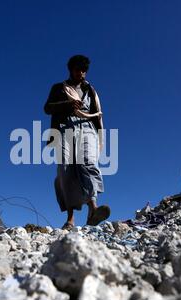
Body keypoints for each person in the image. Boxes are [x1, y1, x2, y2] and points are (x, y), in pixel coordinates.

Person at [43, 54, 110, 230]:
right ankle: (70, 219)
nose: (81, 73)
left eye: (84, 70)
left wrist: (100, 137)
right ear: (71, 70)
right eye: (77, 69)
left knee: (88, 162)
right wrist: (67, 104)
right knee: (66, 169)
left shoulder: (91, 91)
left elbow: (97, 115)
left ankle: (93, 209)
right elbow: (47, 108)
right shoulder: (59, 88)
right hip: (65, 126)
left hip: (87, 127)